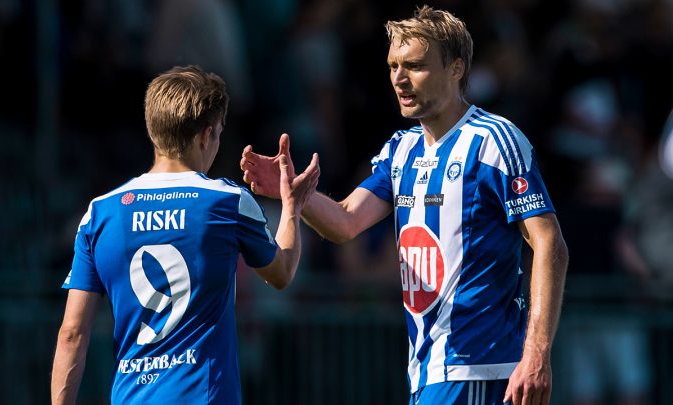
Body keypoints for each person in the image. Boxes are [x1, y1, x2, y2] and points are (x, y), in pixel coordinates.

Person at [240, 6, 568, 405]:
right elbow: (344, 222)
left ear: (456, 68)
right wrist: (293, 194)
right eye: (393, 65)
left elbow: (550, 244)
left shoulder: (495, 140)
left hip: (482, 368)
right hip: (426, 371)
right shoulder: (401, 149)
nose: (399, 78)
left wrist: (536, 353)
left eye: (414, 65)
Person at [51, 65, 320, 405]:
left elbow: (72, 334)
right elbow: (281, 273)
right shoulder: (226, 201)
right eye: (219, 133)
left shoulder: (100, 213)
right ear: (206, 135)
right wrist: (292, 206)